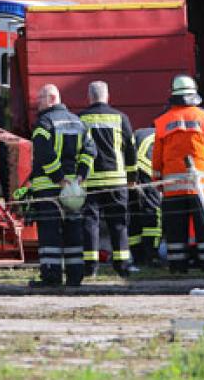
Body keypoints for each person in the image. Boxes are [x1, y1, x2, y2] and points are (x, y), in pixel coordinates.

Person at [152, 74, 204, 273]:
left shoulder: (162, 122)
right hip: (201, 185)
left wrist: (157, 179)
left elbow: (157, 155)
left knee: (176, 230)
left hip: (172, 188)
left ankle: (177, 267)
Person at [28, 84, 96, 288]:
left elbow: (44, 153)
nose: (37, 103)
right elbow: (90, 151)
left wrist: (58, 178)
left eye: (40, 99)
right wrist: (81, 177)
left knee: (50, 232)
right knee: (73, 229)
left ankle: (51, 276)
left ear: (51, 98)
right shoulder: (79, 122)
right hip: (74, 191)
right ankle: (75, 276)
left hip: (48, 188)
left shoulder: (44, 123)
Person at [79, 81, 137, 277]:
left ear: (89, 97)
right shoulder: (121, 118)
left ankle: (90, 266)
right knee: (119, 223)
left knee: (90, 223)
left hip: (90, 181)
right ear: (108, 96)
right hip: (116, 180)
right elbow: (131, 149)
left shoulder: (81, 119)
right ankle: (122, 265)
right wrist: (132, 177)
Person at [129, 126, 162, 267]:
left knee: (133, 214)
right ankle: (151, 255)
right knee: (153, 212)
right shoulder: (163, 134)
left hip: (130, 171)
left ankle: (137, 256)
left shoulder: (141, 132)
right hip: (147, 170)